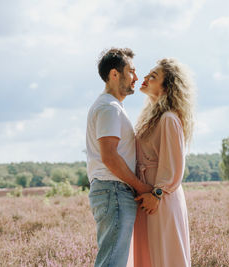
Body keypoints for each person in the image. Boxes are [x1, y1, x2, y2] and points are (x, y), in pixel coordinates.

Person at [86, 47, 153, 267]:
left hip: (112, 191)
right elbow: (110, 157)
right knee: (112, 262)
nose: (136, 77)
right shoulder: (109, 108)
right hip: (114, 191)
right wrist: (140, 186)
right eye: (131, 71)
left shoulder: (111, 107)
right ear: (114, 74)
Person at [133, 58, 195, 267]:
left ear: (167, 87)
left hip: (161, 200)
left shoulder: (168, 118)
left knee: (166, 257)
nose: (144, 78)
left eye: (153, 77)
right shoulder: (151, 118)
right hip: (147, 198)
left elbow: (174, 165)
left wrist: (157, 194)